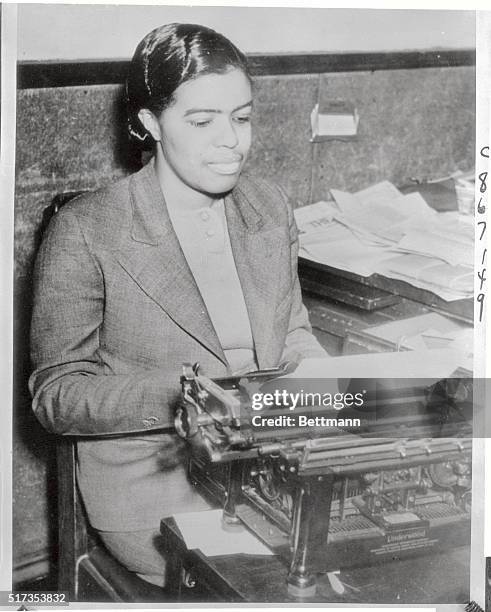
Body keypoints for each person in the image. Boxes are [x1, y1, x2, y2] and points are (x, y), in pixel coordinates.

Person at [29, 22, 327, 588]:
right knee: (274, 587)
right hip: (157, 476)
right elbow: (56, 394)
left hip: (268, 459)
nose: (231, 142)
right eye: (201, 121)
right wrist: (187, 395)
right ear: (149, 122)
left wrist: (329, 393)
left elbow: (294, 334)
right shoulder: (88, 229)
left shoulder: (267, 205)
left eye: (242, 118)